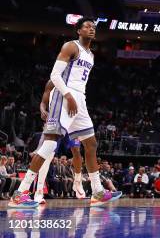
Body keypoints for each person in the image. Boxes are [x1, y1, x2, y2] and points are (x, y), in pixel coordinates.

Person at [10, 18, 122, 208]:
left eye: (93, 27)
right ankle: (20, 193)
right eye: (87, 26)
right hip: (64, 97)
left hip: (80, 99)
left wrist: (75, 98)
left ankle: (97, 192)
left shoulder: (91, 55)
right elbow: (54, 76)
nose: (91, 29)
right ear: (78, 30)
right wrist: (68, 96)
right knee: (49, 144)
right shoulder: (71, 46)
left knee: (91, 143)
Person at [34, 80, 87, 204]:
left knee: (77, 151)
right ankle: (39, 192)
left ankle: (77, 182)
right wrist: (42, 110)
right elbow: (43, 102)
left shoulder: (76, 79)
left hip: (71, 121)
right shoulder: (52, 82)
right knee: (47, 156)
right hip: (55, 120)